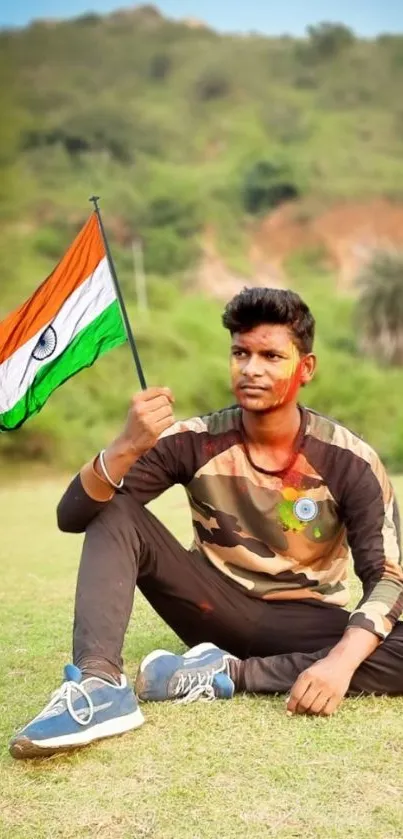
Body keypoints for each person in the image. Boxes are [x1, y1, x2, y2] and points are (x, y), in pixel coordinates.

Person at [10, 287, 403, 760]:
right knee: (113, 505)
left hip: (307, 619)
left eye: (271, 356)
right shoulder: (192, 441)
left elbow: (386, 577)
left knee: (380, 640)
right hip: (209, 607)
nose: (251, 368)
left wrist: (339, 664)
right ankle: (99, 684)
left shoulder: (349, 460)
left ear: (306, 368)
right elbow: (72, 517)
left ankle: (222, 675)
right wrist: (123, 448)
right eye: (241, 353)